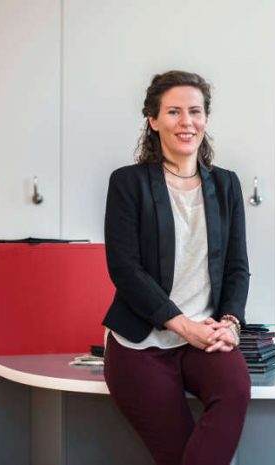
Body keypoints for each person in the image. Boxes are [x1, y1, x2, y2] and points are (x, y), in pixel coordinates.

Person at [102, 70, 251, 465]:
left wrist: (231, 324)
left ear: (206, 119)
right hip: (142, 342)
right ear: (153, 120)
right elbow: (125, 269)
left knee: (236, 390)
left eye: (195, 111)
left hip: (207, 334)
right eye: (174, 112)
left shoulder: (226, 185)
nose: (187, 122)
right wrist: (182, 324)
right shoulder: (128, 183)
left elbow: (237, 267)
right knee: (177, 452)